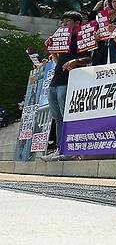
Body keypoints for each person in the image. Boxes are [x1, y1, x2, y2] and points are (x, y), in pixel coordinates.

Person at [41, 11, 90, 160]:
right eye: (63, 23)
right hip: (55, 82)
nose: (64, 25)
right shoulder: (62, 40)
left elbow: (88, 58)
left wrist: (75, 62)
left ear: (77, 23)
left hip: (68, 81)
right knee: (58, 117)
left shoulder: (81, 38)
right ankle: (60, 148)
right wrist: (52, 48)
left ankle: (70, 148)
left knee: (66, 115)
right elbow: (57, 62)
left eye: (67, 21)